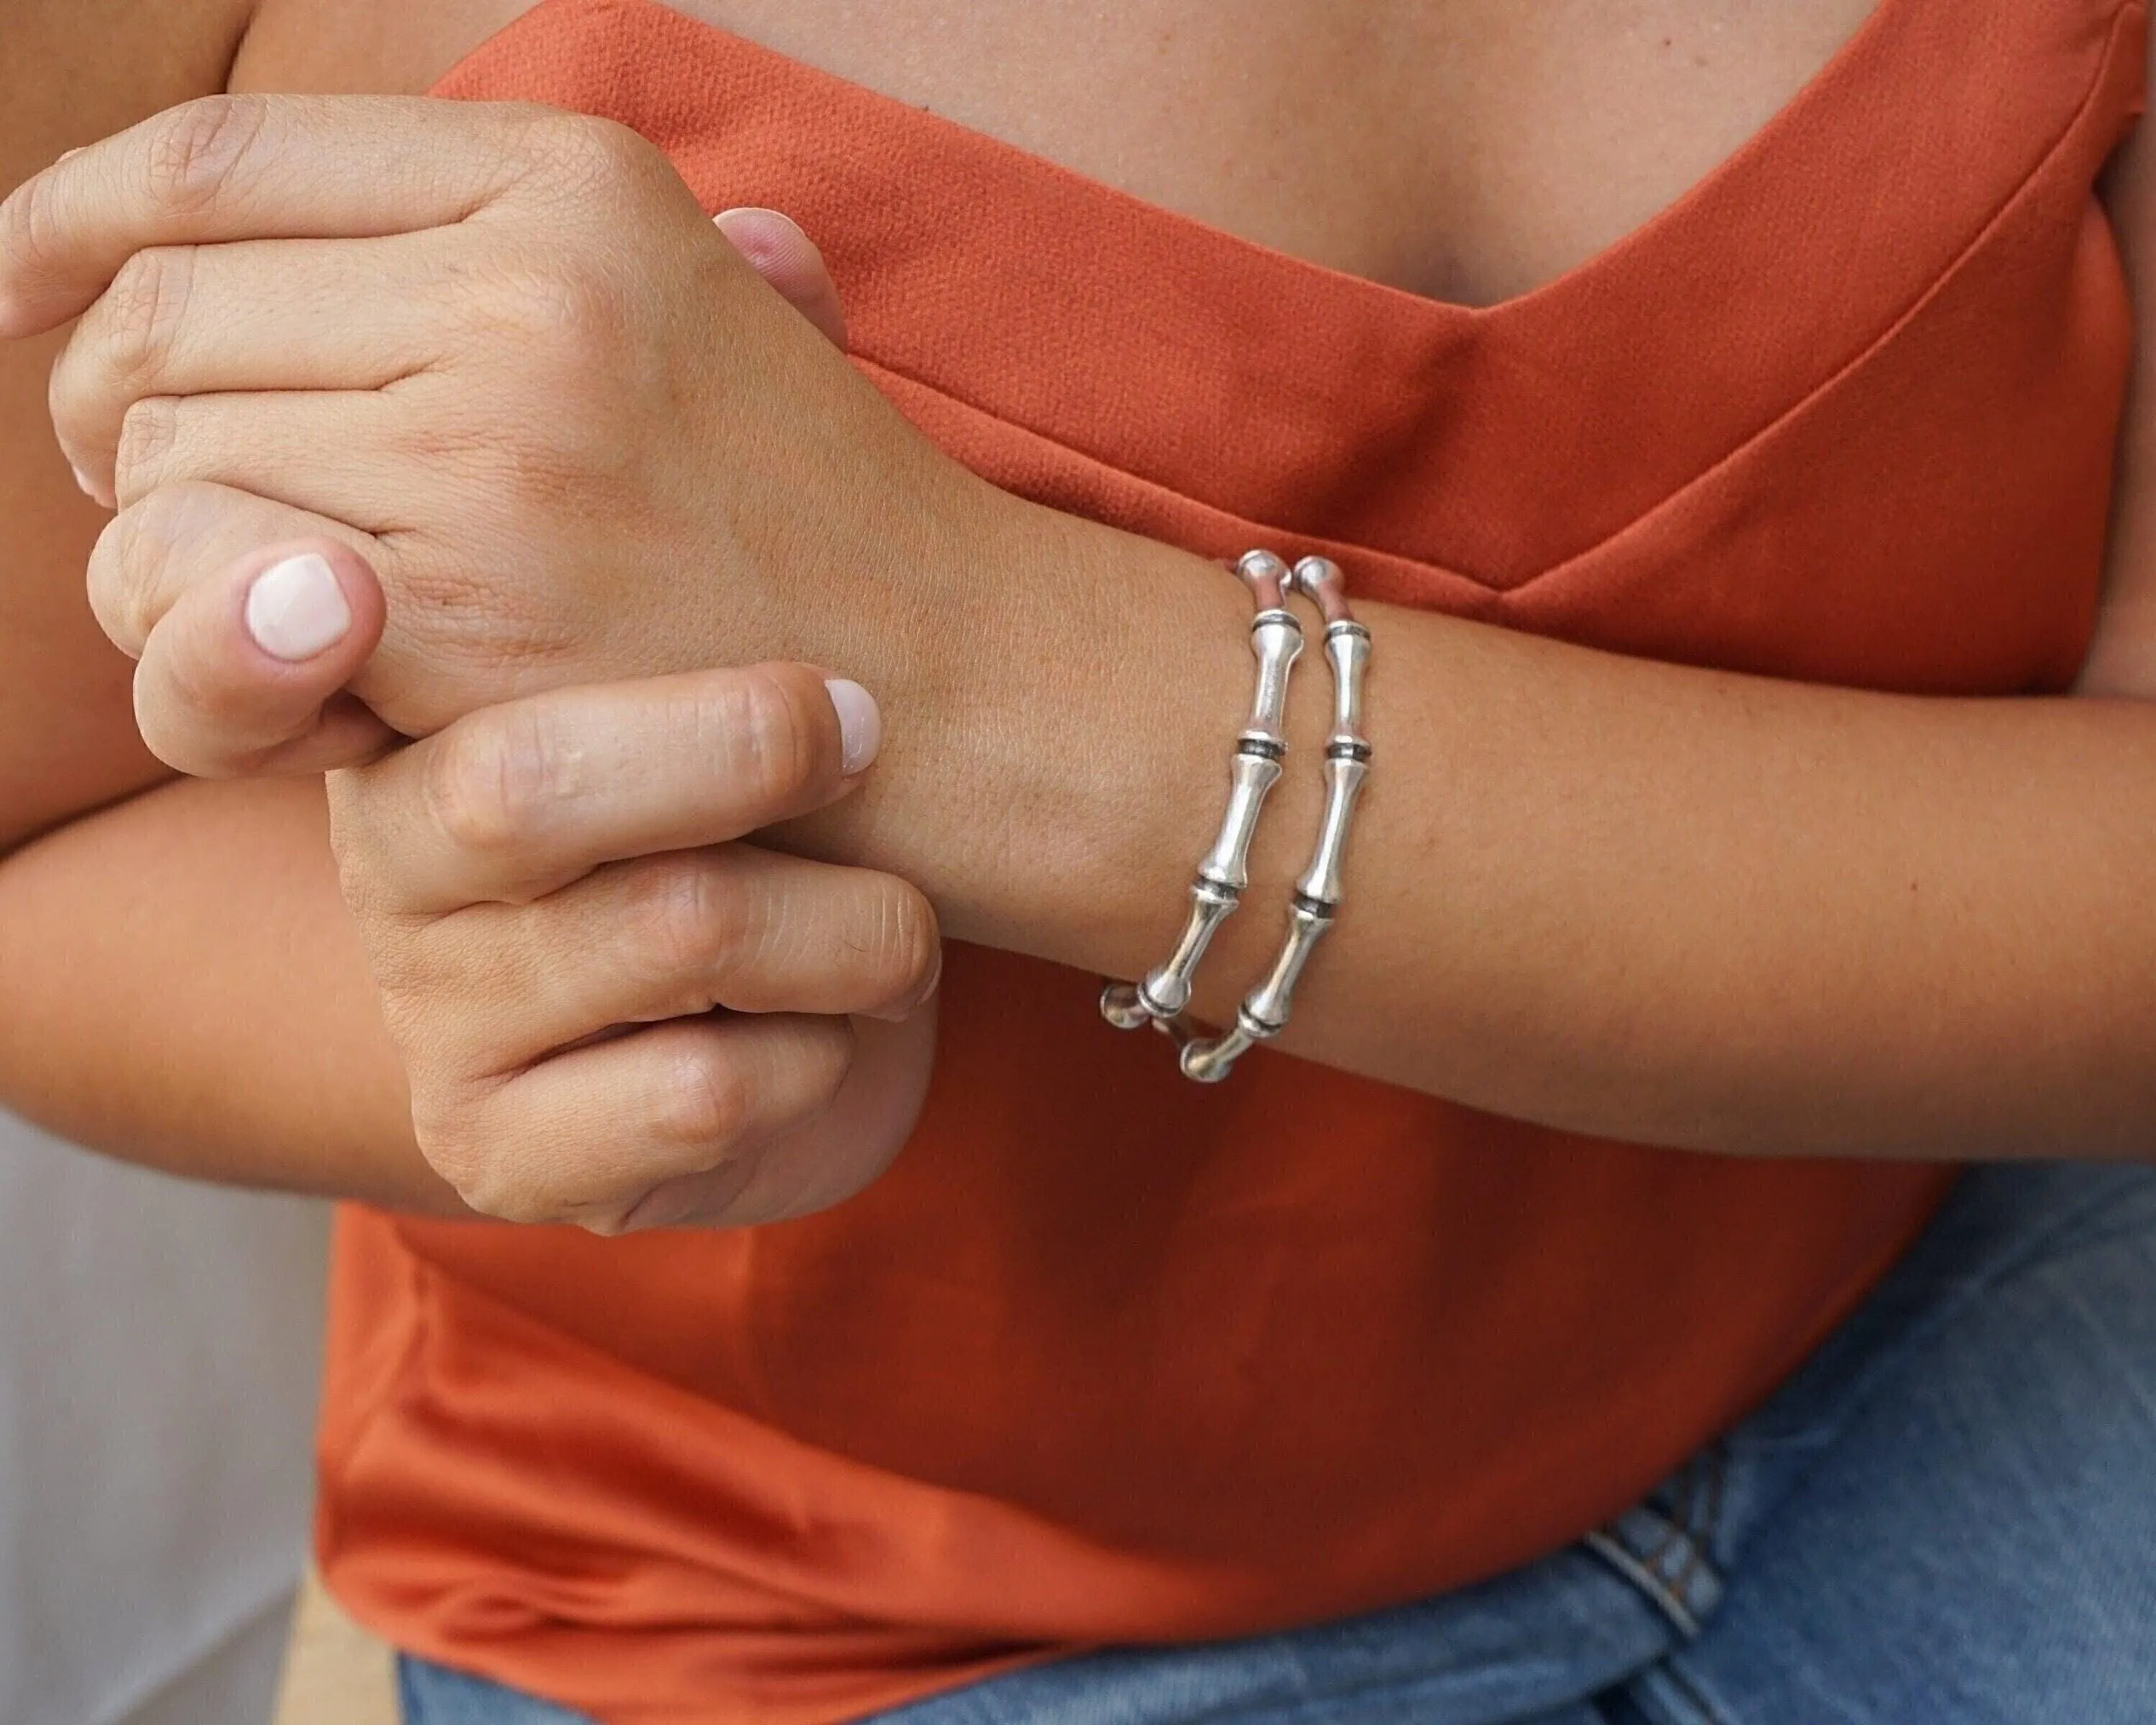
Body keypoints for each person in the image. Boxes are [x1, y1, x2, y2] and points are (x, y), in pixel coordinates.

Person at [3, 0, 2155, 1719]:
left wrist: (993, 683)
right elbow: (40, 842)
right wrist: (574, 986)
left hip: (1947, 1301)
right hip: (828, 1606)